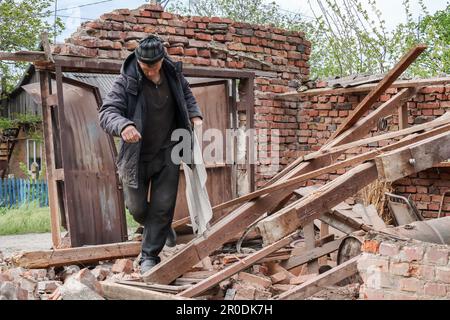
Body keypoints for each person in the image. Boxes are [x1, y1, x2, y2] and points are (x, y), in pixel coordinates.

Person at [98, 35, 203, 274]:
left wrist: (194, 114)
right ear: (138, 61)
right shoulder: (126, 81)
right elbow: (107, 112)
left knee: (163, 205)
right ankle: (161, 228)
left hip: (169, 150)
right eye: (145, 67)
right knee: (137, 209)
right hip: (135, 156)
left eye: (153, 66)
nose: (149, 71)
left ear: (162, 59)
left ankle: (149, 256)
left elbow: (186, 95)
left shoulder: (173, 74)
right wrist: (123, 125)